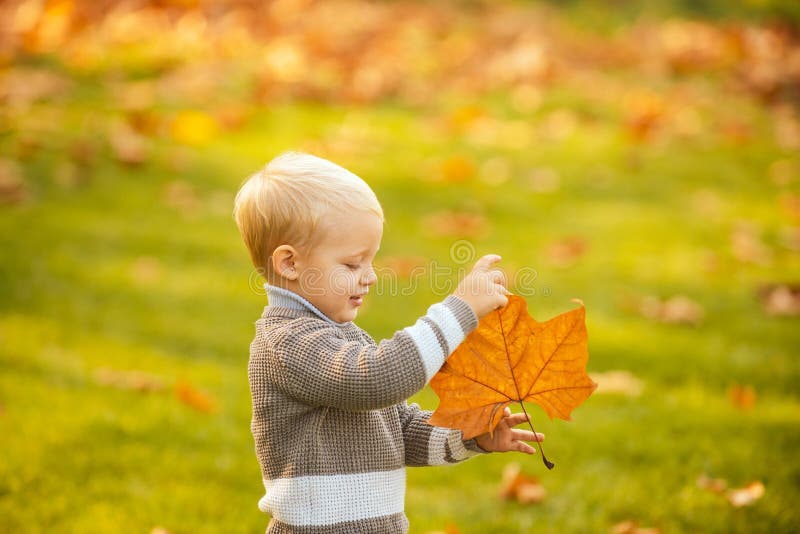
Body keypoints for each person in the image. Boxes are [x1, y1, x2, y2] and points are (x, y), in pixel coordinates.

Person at [233, 152, 543, 533]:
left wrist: (469, 434)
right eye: (351, 264)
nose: (370, 278)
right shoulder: (287, 343)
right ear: (290, 264)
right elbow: (378, 379)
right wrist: (458, 312)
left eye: (371, 262)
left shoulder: (342, 337)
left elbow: (401, 432)